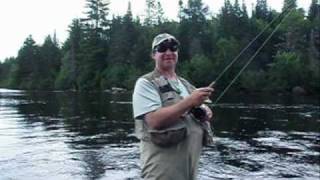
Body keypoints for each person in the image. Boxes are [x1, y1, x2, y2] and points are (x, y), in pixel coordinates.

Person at [132, 33, 214, 180]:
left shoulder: (186, 85)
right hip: (161, 173)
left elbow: (195, 111)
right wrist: (189, 101)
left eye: (173, 47)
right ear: (153, 54)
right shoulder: (145, 83)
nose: (168, 52)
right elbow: (154, 120)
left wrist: (205, 112)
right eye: (162, 48)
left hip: (190, 171)